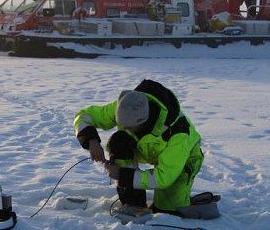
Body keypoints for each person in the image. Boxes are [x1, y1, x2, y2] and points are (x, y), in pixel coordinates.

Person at [73, 79, 205, 215]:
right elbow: (84, 116)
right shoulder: (126, 106)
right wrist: (92, 140)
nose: (124, 128)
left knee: (167, 211)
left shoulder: (179, 133)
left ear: (143, 121)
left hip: (183, 160)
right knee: (119, 141)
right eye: (121, 123)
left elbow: (163, 178)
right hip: (147, 148)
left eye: (129, 126)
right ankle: (133, 203)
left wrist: (121, 175)